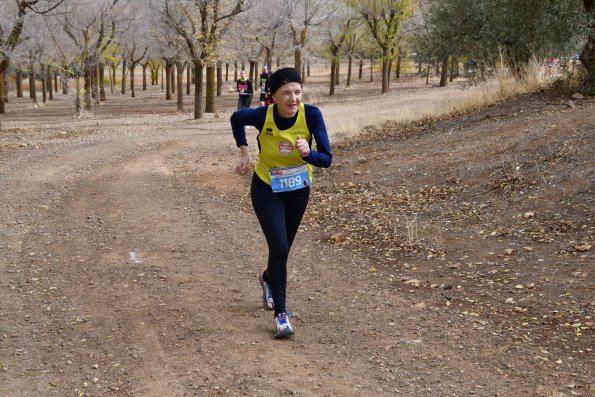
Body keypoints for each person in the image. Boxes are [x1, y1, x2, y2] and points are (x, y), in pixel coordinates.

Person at [230, 67, 332, 338]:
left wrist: (309, 153)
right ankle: (281, 316)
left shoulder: (311, 115)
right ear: (273, 96)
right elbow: (236, 118)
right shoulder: (263, 115)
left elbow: (327, 159)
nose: (293, 98)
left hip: (298, 190)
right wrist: (244, 153)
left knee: (281, 251)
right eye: (286, 93)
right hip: (267, 188)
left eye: (297, 92)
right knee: (279, 246)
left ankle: (267, 277)